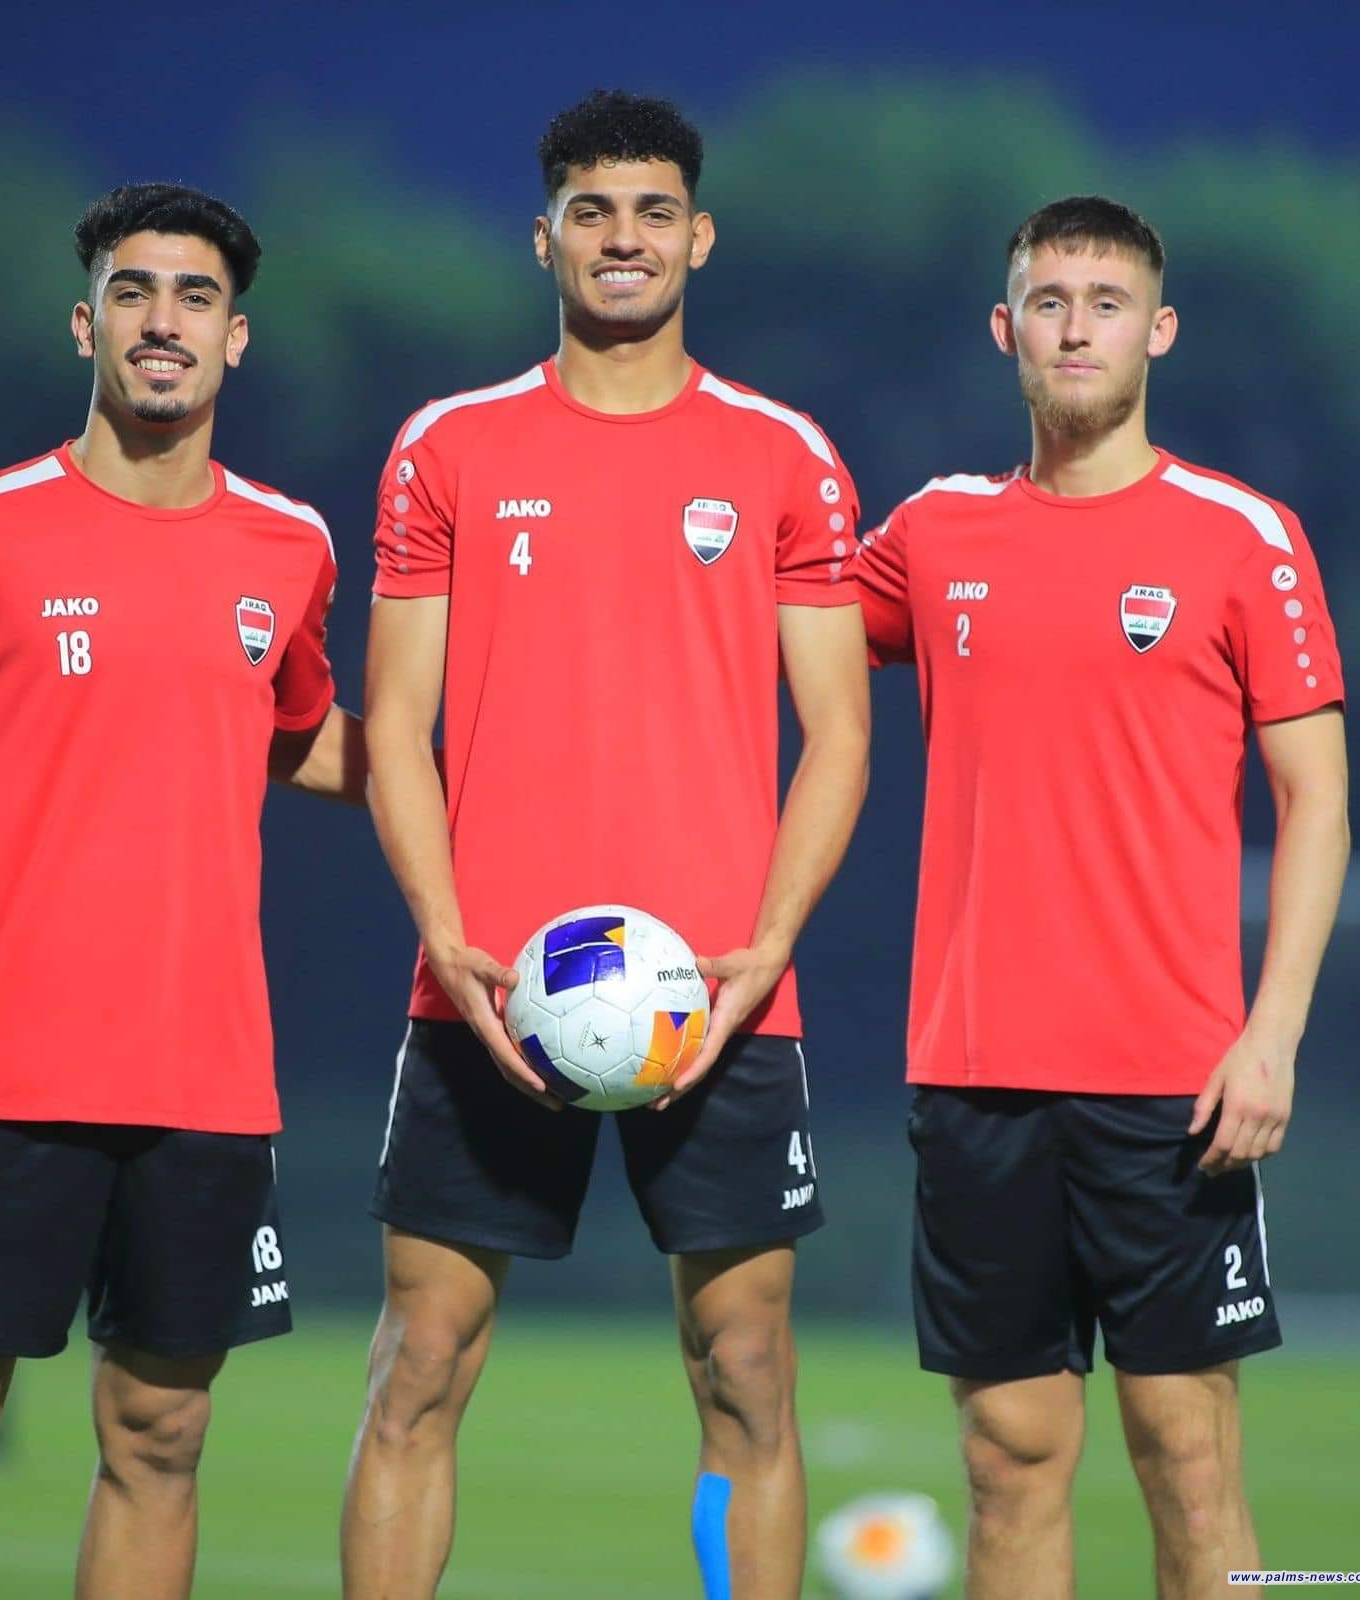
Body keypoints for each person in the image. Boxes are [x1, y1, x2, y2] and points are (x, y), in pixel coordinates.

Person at [345, 90, 871, 1600]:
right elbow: (395, 728)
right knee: (419, 1365)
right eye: (592, 211)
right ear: (546, 238)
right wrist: (446, 937)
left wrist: (768, 948)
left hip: (717, 990)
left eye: (652, 212)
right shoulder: (448, 446)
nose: (622, 238)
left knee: (748, 1373)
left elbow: (839, 734)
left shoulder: (782, 454)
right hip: (489, 982)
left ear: (698, 238)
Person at [0, 181, 364, 1600]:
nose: (162, 322)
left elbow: (300, 737)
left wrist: (475, 781)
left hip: (205, 1073)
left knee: (161, 1435)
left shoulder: (291, 545)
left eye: (196, 297)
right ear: (87, 324)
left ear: (236, 338)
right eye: (133, 292)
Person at [851, 195, 1350, 1599]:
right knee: (1009, 1459)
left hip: (1174, 1084)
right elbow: (760, 625)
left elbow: (1317, 802)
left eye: (1108, 303)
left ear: (1159, 331)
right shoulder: (935, 531)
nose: (1077, 328)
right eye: (1050, 301)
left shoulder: (1243, 535)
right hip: (976, 1072)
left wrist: (1272, 1037)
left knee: (1186, 1453)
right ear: (1006, 329)